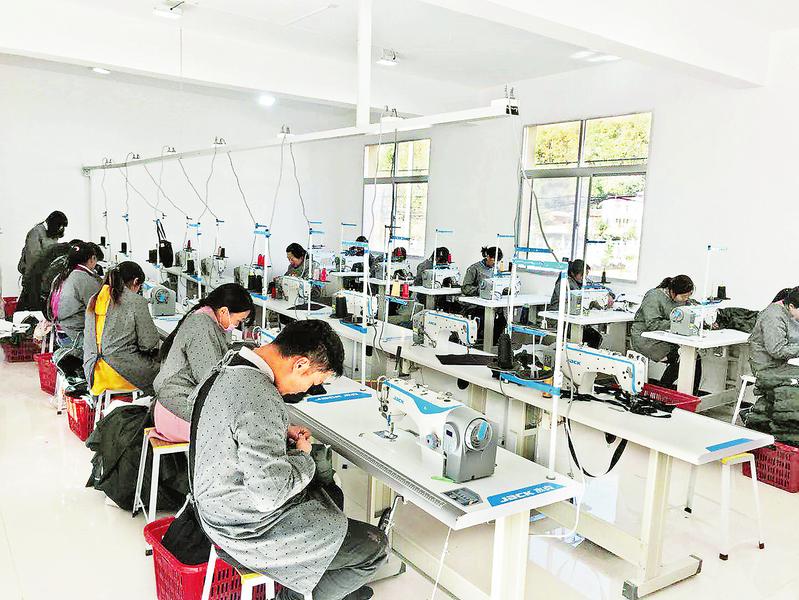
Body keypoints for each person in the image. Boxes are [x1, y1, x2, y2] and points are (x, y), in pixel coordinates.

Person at [191, 320, 387, 600]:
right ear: (301, 364)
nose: (304, 390)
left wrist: (277, 431)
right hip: (243, 527)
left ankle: (316, 584)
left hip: (214, 506)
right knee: (374, 547)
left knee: (331, 494)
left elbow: (229, 422)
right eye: (312, 382)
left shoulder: (231, 364)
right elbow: (269, 495)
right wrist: (303, 455)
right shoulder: (260, 396)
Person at [152, 283, 254, 442]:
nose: (237, 325)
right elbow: (209, 380)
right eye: (238, 321)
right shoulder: (201, 326)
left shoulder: (206, 318)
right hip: (174, 409)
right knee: (236, 433)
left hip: (174, 400)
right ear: (224, 311)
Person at [83, 261, 161, 397]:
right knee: (166, 372)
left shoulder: (94, 299)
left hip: (93, 373)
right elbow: (148, 344)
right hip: (120, 373)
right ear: (136, 281)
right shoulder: (136, 301)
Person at [630, 275, 700, 390]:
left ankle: (693, 395)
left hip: (665, 337)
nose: (686, 299)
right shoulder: (653, 296)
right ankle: (662, 389)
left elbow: (691, 306)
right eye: (684, 296)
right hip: (645, 338)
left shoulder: (682, 299)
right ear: (673, 292)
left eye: (689, 296)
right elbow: (652, 324)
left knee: (695, 357)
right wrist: (679, 323)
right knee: (682, 357)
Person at [53, 241, 102, 347]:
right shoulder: (84, 279)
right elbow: (99, 308)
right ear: (92, 259)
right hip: (75, 335)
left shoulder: (63, 275)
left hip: (61, 331)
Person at [548, 259, 603, 349]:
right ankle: (580, 355)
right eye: (582, 275)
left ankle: (582, 354)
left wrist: (593, 302)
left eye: (586, 275)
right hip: (559, 320)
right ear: (573, 273)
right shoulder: (564, 283)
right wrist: (587, 302)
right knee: (594, 337)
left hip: (571, 318)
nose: (584, 277)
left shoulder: (578, 282)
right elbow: (570, 303)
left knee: (595, 336)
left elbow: (596, 289)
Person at [749, 289, 799, 378]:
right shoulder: (773, 317)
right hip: (766, 368)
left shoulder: (789, 312)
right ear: (791, 306)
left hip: (780, 365)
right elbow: (777, 350)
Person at [17, 211, 68, 277]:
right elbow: (33, 257)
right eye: (60, 225)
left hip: (45, 275)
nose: (61, 228)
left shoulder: (54, 235)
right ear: (54, 224)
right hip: (33, 276)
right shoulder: (36, 232)